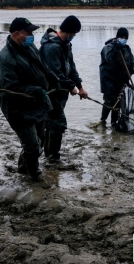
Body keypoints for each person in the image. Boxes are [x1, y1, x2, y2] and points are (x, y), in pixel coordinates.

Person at [0, 17, 58, 181]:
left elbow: (42, 65)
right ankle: (34, 174)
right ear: (17, 34)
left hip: (37, 102)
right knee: (32, 145)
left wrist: (54, 77)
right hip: (18, 108)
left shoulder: (29, 47)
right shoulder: (5, 58)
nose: (32, 35)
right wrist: (37, 90)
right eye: (28, 32)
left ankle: (23, 167)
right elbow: (10, 89)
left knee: (40, 139)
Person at [39, 15, 88, 167]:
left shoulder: (66, 45)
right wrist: (70, 86)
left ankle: (48, 155)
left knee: (51, 123)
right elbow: (54, 73)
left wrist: (79, 87)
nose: (73, 37)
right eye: (73, 34)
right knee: (58, 123)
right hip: (50, 91)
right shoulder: (51, 47)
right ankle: (53, 159)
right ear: (66, 31)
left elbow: (71, 68)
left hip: (61, 93)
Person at [99, 27, 134, 128]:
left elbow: (131, 62)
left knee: (118, 103)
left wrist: (129, 74)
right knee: (109, 102)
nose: (124, 39)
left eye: (125, 38)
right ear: (117, 37)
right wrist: (116, 49)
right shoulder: (108, 47)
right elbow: (110, 61)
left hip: (121, 81)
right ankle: (102, 121)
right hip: (108, 80)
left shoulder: (127, 49)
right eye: (122, 37)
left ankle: (114, 123)